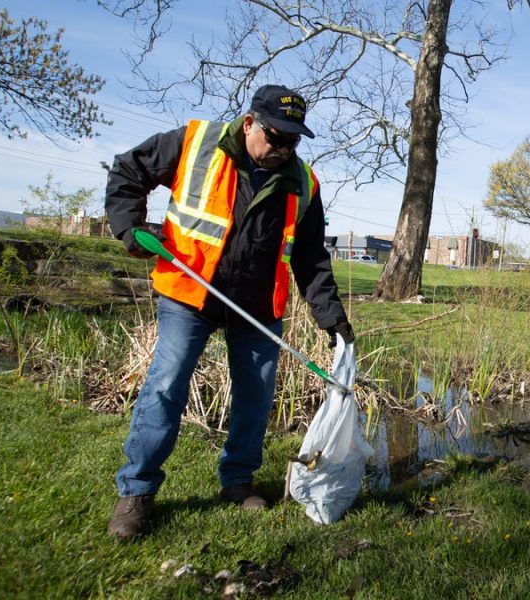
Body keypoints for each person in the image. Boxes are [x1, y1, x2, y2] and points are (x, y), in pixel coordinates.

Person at [104, 85, 354, 540]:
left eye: (293, 140)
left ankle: (237, 482)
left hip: (257, 307)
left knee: (256, 396)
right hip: (189, 294)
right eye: (276, 136)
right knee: (166, 383)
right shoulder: (196, 143)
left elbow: (312, 259)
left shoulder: (304, 183)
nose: (282, 148)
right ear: (249, 123)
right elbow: (128, 169)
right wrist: (128, 225)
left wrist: (332, 318)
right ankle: (137, 491)